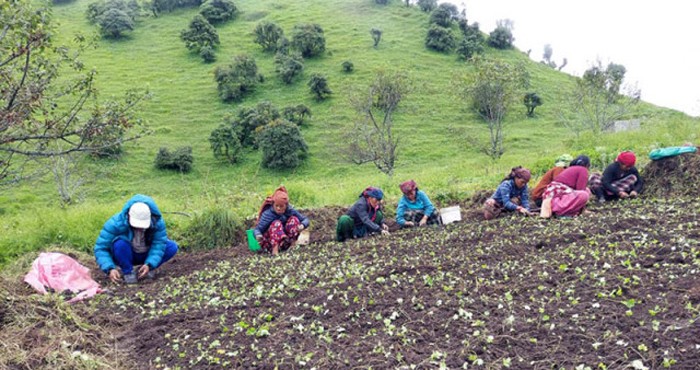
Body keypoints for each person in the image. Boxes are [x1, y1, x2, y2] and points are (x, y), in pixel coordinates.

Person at [94, 194, 178, 284]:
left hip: (146, 252)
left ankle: (146, 269)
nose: (140, 228)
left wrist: (149, 264)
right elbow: (101, 248)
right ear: (129, 217)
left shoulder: (157, 223)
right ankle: (128, 272)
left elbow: (159, 244)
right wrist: (110, 268)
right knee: (120, 244)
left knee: (171, 247)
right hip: (126, 254)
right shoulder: (115, 223)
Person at [254, 186, 310, 255]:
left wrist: (302, 226)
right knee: (276, 223)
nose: (278, 208)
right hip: (270, 243)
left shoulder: (290, 211)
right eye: (276, 206)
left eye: (281, 206)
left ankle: (292, 246)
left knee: (294, 220)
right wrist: (258, 236)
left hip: (285, 240)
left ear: (286, 206)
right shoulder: (268, 214)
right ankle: (275, 251)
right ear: (273, 205)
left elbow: (305, 220)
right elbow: (257, 229)